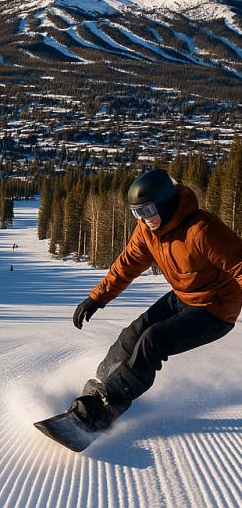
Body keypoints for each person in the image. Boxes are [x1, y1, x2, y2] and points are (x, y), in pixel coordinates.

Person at [67, 168, 241, 434]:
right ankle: (100, 386)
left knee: (154, 340)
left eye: (148, 211)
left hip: (215, 308)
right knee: (134, 332)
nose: (144, 219)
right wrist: (96, 298)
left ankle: (107, 407)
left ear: (167, 202)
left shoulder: (202, 230)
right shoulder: (147, 231)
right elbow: (127, 265)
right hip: (184, 297)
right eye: (137, 213)